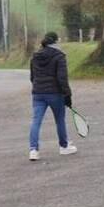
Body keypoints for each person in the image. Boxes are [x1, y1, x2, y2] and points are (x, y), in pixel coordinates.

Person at [28, 31, 77, 160]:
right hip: (55, 94)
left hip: (38, 93)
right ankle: (64, 147)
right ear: (56, 41)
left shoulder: (35, 56)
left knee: (35, 121)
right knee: (60, 120)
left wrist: (38, 87)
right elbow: (62, 78)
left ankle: (33, 150)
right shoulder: (59, 55)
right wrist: (68, 95)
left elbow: (32, 77)